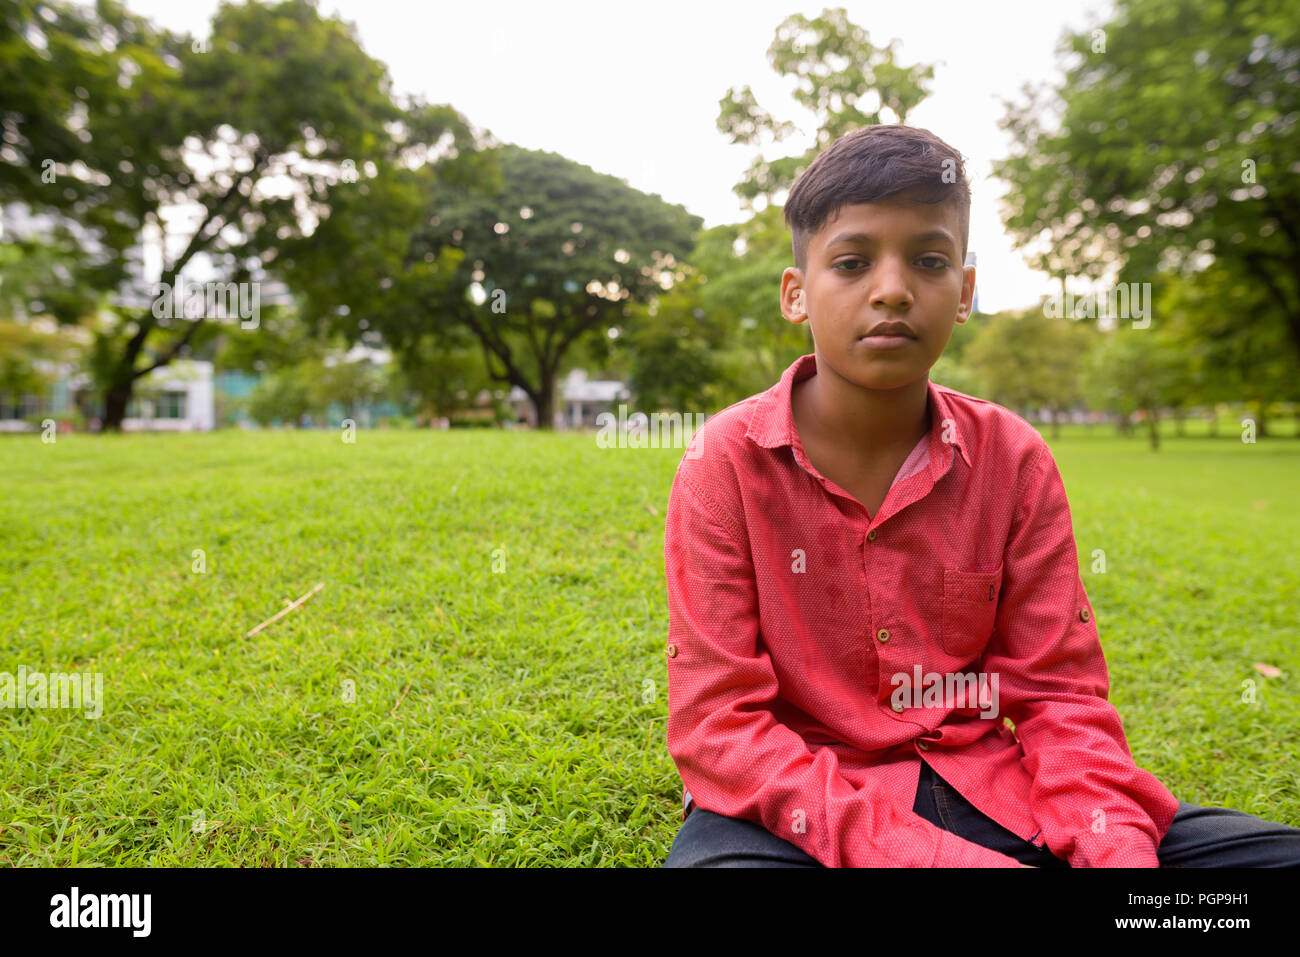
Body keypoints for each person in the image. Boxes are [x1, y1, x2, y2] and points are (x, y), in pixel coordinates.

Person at [661, 124, 1300, 867]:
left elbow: (1059, 696)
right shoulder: (725, 463)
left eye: (929, 260)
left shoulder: (1014, 457)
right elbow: (720, 726)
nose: (893, 288)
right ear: (796, 293)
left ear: (963, 292)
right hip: (800, 810)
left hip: (999, 785)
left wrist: (1115, 855)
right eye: (852, 261)